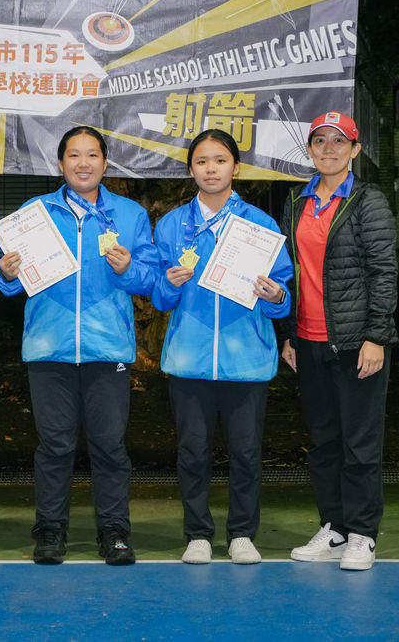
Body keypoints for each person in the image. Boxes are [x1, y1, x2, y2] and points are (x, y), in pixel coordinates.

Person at [0, 126, 160, 566]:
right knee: (54, 447)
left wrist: (127, 269)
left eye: (92, 155)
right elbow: (8, 284)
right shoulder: (33, 213)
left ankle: (115, 531)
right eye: (74, 155)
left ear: (105, 163)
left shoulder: (129, 215)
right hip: (49, 348)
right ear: (60, 163)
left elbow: (149, 278)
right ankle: (50, 529)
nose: (82, 163)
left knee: (109, 447)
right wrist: (6, 273)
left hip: (108, 349)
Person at [150, 129, 293, 565]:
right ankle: (197, 534)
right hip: (189, 360)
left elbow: (282, 295)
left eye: (220, 160)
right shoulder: (172, 225)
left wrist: (275, 296)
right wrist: (169, 284)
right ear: (191, 169)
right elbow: (159, 298)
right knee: (192, 453)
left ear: (236, 167)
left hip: (246, 360)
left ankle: (242, 534)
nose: (210, 169)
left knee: (246, 454)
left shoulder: (260, 225)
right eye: (201, 161)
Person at [279, 111, 397, 572]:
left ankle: (363, 534)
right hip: (308, 342)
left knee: (360, 445)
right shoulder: (296, 200)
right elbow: (291, 272)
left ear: (355, 149)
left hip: (355, 343)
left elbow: (384, 272)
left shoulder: (368, 200)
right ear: (309, 149)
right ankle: (334, 528)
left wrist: (376, 336)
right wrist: (291, 334)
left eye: (338, 141)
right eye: (320, 141)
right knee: (324, 443)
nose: (328, 149)